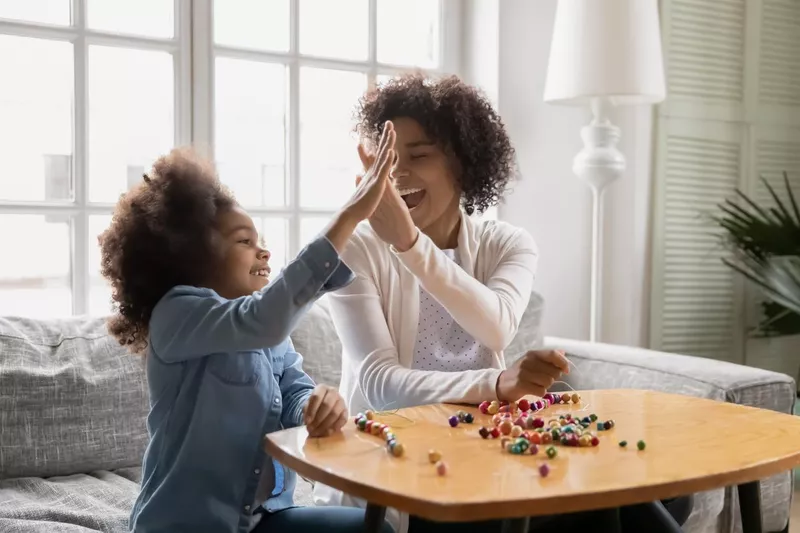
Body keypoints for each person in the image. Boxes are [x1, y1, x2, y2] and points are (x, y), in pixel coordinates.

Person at [314, 74, 692, 533]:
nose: (397, 175)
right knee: (615, 508)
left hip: (493, 445)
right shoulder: (357, 247)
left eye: (419, 155)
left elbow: (496, 328)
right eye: (387, 160)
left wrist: (411, 245)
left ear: (464, 164)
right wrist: (497, 384)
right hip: (405, 465)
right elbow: (381, 387)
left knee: (653, 489)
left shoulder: (508, 244)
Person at [99, 133, 398, 533]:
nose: (264, 252)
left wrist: (317, 406)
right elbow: (265, 318)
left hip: (263, 521)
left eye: (261, 242)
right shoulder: (177, 314)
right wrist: (350, 215)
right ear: (192, 253)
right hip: (185, 525)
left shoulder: (269, 333)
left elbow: (293, 394)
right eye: (244, 241)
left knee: (376, 528)